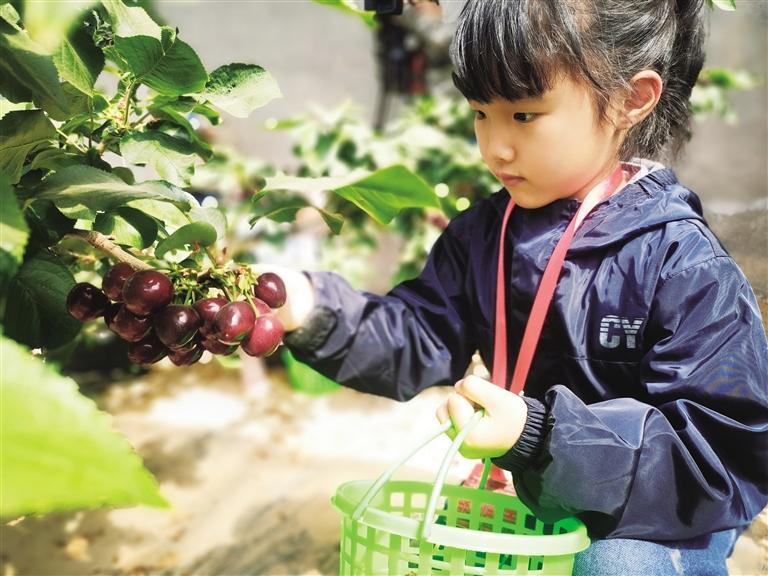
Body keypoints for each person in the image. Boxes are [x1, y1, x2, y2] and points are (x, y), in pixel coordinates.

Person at [260, 0, 768, 573]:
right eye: (481, 112)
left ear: (631, 100)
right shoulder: (485, 235)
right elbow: (418, 334)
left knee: (617, 564)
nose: (495, 146)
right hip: (538, 488)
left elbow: (721, 458)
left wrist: (539, 437)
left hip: (660, 517)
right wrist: (312, 309)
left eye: (523, 115)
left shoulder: (681, 266)